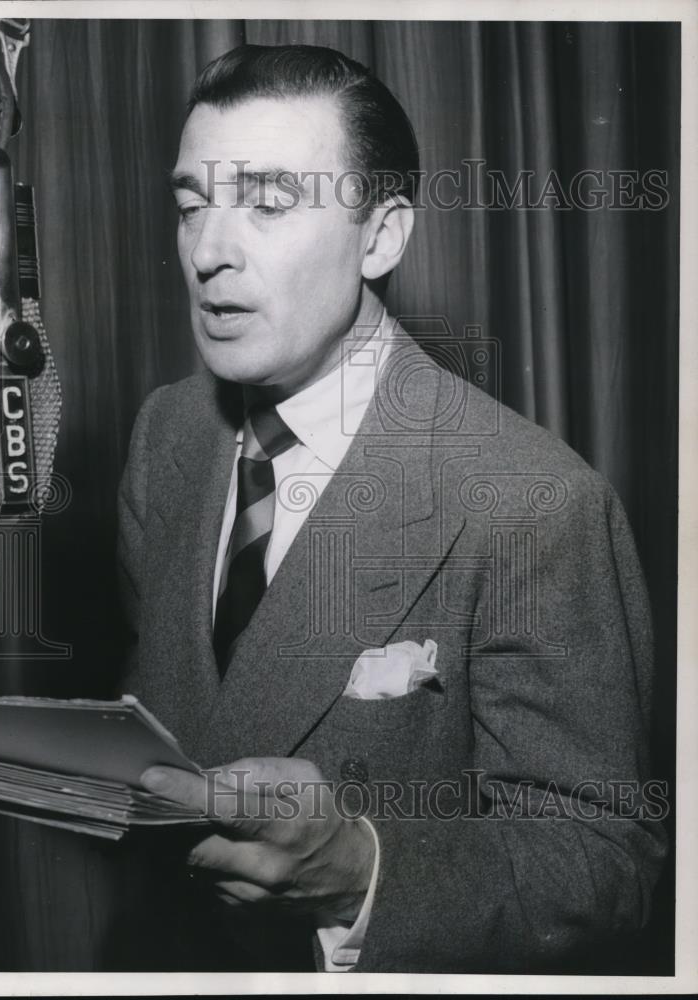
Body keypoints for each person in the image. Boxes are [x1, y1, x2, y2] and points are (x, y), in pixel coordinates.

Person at [116, 43, 666, 973]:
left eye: (268, 200)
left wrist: (361, 871)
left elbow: (605, 861)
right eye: (192, 204)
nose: (208, 251)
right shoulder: (166, 435)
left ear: (382, 236)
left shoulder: (536, 502)